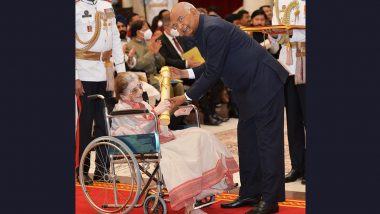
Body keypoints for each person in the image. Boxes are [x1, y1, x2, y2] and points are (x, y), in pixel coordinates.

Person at [168, 2, 289, 214]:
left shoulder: (213, 28)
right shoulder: (201, 30)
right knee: (248, 139)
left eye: (181, 19)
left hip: (263, 81)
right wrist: (184, 74)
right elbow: (214, 64)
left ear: (194, 12)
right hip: (246, 87)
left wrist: (186, 97)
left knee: (268, 142)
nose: (180, 26)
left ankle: (271, 199)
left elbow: (214, 71)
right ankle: (251, 193)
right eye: (175, 24)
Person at [112, 72, 239, 214]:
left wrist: (175, 113)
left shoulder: (141, 103)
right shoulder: (121, 110)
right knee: (182, 151)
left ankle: (206, 187)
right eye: (134, 90)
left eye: (140, 86)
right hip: (144, 144)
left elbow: (159, 123)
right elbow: (140, 134)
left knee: (202, 135)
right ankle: (190, 203)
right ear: (123, 95)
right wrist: (156, 112)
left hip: (161, 137)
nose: (140, 91)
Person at [75, 0, 126, 185]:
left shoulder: (106, 6)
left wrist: (122, 72)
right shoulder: (76, 8)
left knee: (105, 123)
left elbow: (115, 38)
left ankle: (102, 170)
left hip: (105, 71)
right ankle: (81, 169)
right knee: (85, 124)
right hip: (84, 71)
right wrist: (75, 76)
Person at [271, 0, 306, 185]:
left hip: (306, 61)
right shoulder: (278, 2)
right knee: (292, 120)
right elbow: (277, 39)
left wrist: (292, 32)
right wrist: (273, 35)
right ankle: (298, 166)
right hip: (287, 64)